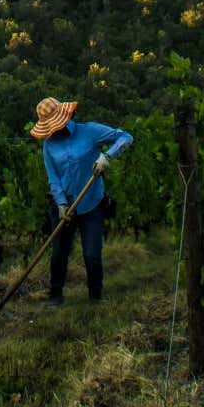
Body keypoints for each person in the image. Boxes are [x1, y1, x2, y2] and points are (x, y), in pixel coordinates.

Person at [30, 97, 132, 306]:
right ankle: (56, 295)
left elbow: (125, 137)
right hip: (63, 206)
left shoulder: (90, 132)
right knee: (59, 253)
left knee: (92, 254)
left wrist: (108, 156)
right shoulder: (49, 146)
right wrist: (60, 204)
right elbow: (53, 178)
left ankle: (96, 296)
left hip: (92, 203)